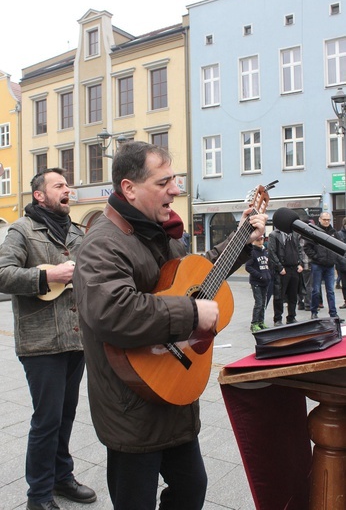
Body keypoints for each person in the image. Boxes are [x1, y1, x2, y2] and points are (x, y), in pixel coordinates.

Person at [73, 141, 267, 510]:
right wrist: (193, 315)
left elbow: (196, 275)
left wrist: (241, 240)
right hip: (132, 403)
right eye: (164, 182)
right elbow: (113, 311)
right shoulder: (102, 243)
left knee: (191, 488)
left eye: (175, 180)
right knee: (136, 501)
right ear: (129, 188)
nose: (176, 189)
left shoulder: (159, 232)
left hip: (173, 391)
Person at [0, 168, 96, 510]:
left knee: (66, 415)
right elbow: (2, 274)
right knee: (47, 419)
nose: (66, 189)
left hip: (76, 339)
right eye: (59, 185)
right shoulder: (22, 231)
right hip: (41, 343)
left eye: (67, 185)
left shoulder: (75, 232)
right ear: (40, 195)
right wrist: (48, 276)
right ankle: (38, 495)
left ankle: (61, 477)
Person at [304, 212, 343, 321]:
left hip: (330, 266)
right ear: (320, 219)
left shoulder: (334, 233)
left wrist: (334, 259)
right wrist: (316, 257)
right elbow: (307, 248)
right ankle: (314, 312)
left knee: (330, 291)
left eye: (328, 219)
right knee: (315, 290)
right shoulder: (314, 232)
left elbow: (339, 247)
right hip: (317, 265)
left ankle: (333, 314)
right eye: (324, 219)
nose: (326, 221)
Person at [268, 227, 303, 326]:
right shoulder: (274, 235)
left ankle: (291, 317)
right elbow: (271, 252)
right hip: (283, 270)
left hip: (294, 269)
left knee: (293, 295)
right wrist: (279, 267)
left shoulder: (294, 234)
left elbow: (299, 249)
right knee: (279, 295)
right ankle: (278, 319)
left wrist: (300, 263)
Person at [245, 235, 272, 332]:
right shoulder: (252, 252)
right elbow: (248, 267)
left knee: (263, 303)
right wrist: (260, 275)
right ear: (254, 241)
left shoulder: (265, 251)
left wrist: (268, 275)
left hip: (265, 281)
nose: (260, 241)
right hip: (256, 282)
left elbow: (268, 265)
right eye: (258, 239)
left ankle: (261, 321)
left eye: (262, 239)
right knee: (259, 303)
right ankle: (254, 323)